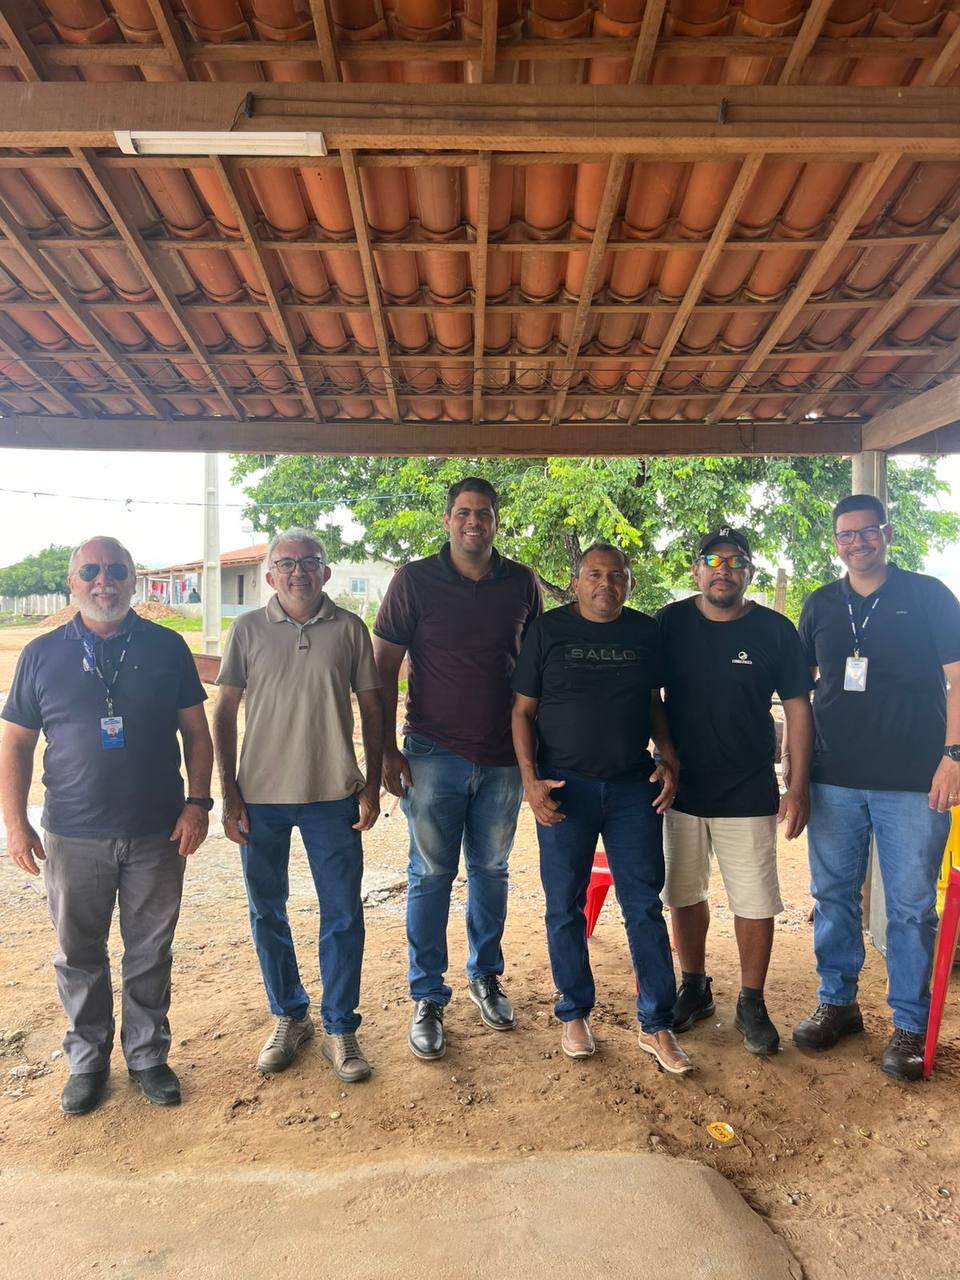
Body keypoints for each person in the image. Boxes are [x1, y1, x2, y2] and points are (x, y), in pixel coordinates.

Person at [0, 536, 212, 1115]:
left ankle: (147, 1056)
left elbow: (197, 732)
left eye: (116, 570)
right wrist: (16, 825)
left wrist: (199, 804)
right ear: (72, 582)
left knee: (150, 950)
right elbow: (15, 745)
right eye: (90, 570)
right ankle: (87, 1061)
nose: (104, 580)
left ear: (133, 580)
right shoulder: (41, 655)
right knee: (78, 953)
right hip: (72, 834)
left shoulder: (167, 647)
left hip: (157, 833)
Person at [792, 494, 960, 1082]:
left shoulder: (929, 596)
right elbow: (800, 695)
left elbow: (958, 682)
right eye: (846, 535)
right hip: (835, 779)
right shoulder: (819, 606)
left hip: (915, 782)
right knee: (832, 896)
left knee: (911, 908)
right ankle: (838, 1004)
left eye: (867, 532)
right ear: (835, 542)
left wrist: (953, 757)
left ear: (886, 534)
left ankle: (910, 1026)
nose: (857, 542)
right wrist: (798, 773)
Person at [373, 478, 541, 1060]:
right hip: (432, 752)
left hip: (502, 759)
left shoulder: (521, 582)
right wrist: (386, 752)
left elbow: (534, 668)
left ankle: (485, 977)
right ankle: (427, 995)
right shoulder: (413, 581)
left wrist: (533, 756)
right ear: (447, 519)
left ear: (497, 520)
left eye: (485, 513)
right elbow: (381, 669)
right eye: (464, 513)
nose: (475, 522)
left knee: (491, 872)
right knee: (431, 875)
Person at [512, 542, 691, 1074]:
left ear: (630, 583)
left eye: (617, 575)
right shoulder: (547, 631)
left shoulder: (645, 632)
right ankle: (573, 1012)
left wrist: (670, 756)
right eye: (594, 574)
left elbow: (654, 701)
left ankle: (657, 1024)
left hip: (633, 788)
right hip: (565, 789)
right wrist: (530, 780)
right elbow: (522, 711)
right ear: (575, 580)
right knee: (563, 905)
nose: (605, 584)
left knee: (643, 905)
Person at [214, 530, 383, 1084]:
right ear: (270, 576)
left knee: (343, 914)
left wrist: (372, 782)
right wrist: (230, 792)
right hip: (260, 799)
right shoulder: (246, 630)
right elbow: (223, 713)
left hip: (332, 795)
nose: (298, 572)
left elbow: (374, 709)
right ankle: (290, 1016)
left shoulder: (351, 630)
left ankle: (340, 1025)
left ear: (326, 572)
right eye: (286, 564)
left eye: (309, 562)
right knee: (268, 911)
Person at [658, 528, 813, 1055]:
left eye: (735, 561)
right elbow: (647, 694)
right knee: (683, 892)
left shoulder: (774, 630)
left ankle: (752, 1000)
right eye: (712, 560)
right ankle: (694, 985)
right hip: (680, 788)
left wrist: (796, 786)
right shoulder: (671, 622)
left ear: (749, 572)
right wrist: (659, 754)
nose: (723, 569)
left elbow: (797, 709)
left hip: (747, 788)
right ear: (696, 569)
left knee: (754, 899)